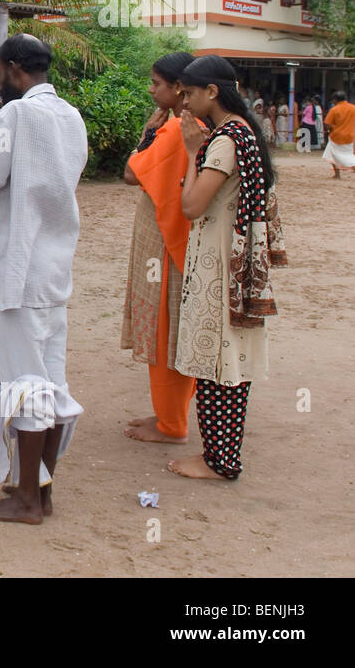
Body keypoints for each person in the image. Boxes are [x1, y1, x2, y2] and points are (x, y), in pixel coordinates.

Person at [0, 34, 88, 524]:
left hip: (20, 269)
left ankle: (28, 500)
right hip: (55, 267)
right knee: (51, 384)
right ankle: (42, 491)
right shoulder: (69, 115)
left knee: (27, 386)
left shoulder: (15, 115)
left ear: (14, 70)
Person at [168, 55, 286, 481]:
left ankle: (218, 460)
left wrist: (192, 150)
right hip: (237, 264)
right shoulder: (245, 130)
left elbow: (192, 205)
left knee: (218, 367)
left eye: (190, 93)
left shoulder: (222, 140)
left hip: (220, 266)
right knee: (228, 363)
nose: (185, 103)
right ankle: (221, 456)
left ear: (212, 93)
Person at [120, 52, 198, 444]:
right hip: (181, 243)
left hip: (168, 244)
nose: (151, 90)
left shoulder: (175, 130)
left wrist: (148, 135)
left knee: (166, 328)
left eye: (156, 84)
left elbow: (131, 173)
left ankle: (172, 424)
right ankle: (170, 415)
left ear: (179, 88)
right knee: (175, 328)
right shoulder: (199, 124)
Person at [322, 91, 355, 178]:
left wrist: (330, 129)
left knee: (331, 155)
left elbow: (327, 124)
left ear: (335, 100)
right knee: (349, 154)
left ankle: (337, 174)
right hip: (350, 136)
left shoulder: (334, 109)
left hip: (336, 136)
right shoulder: (353, 108)